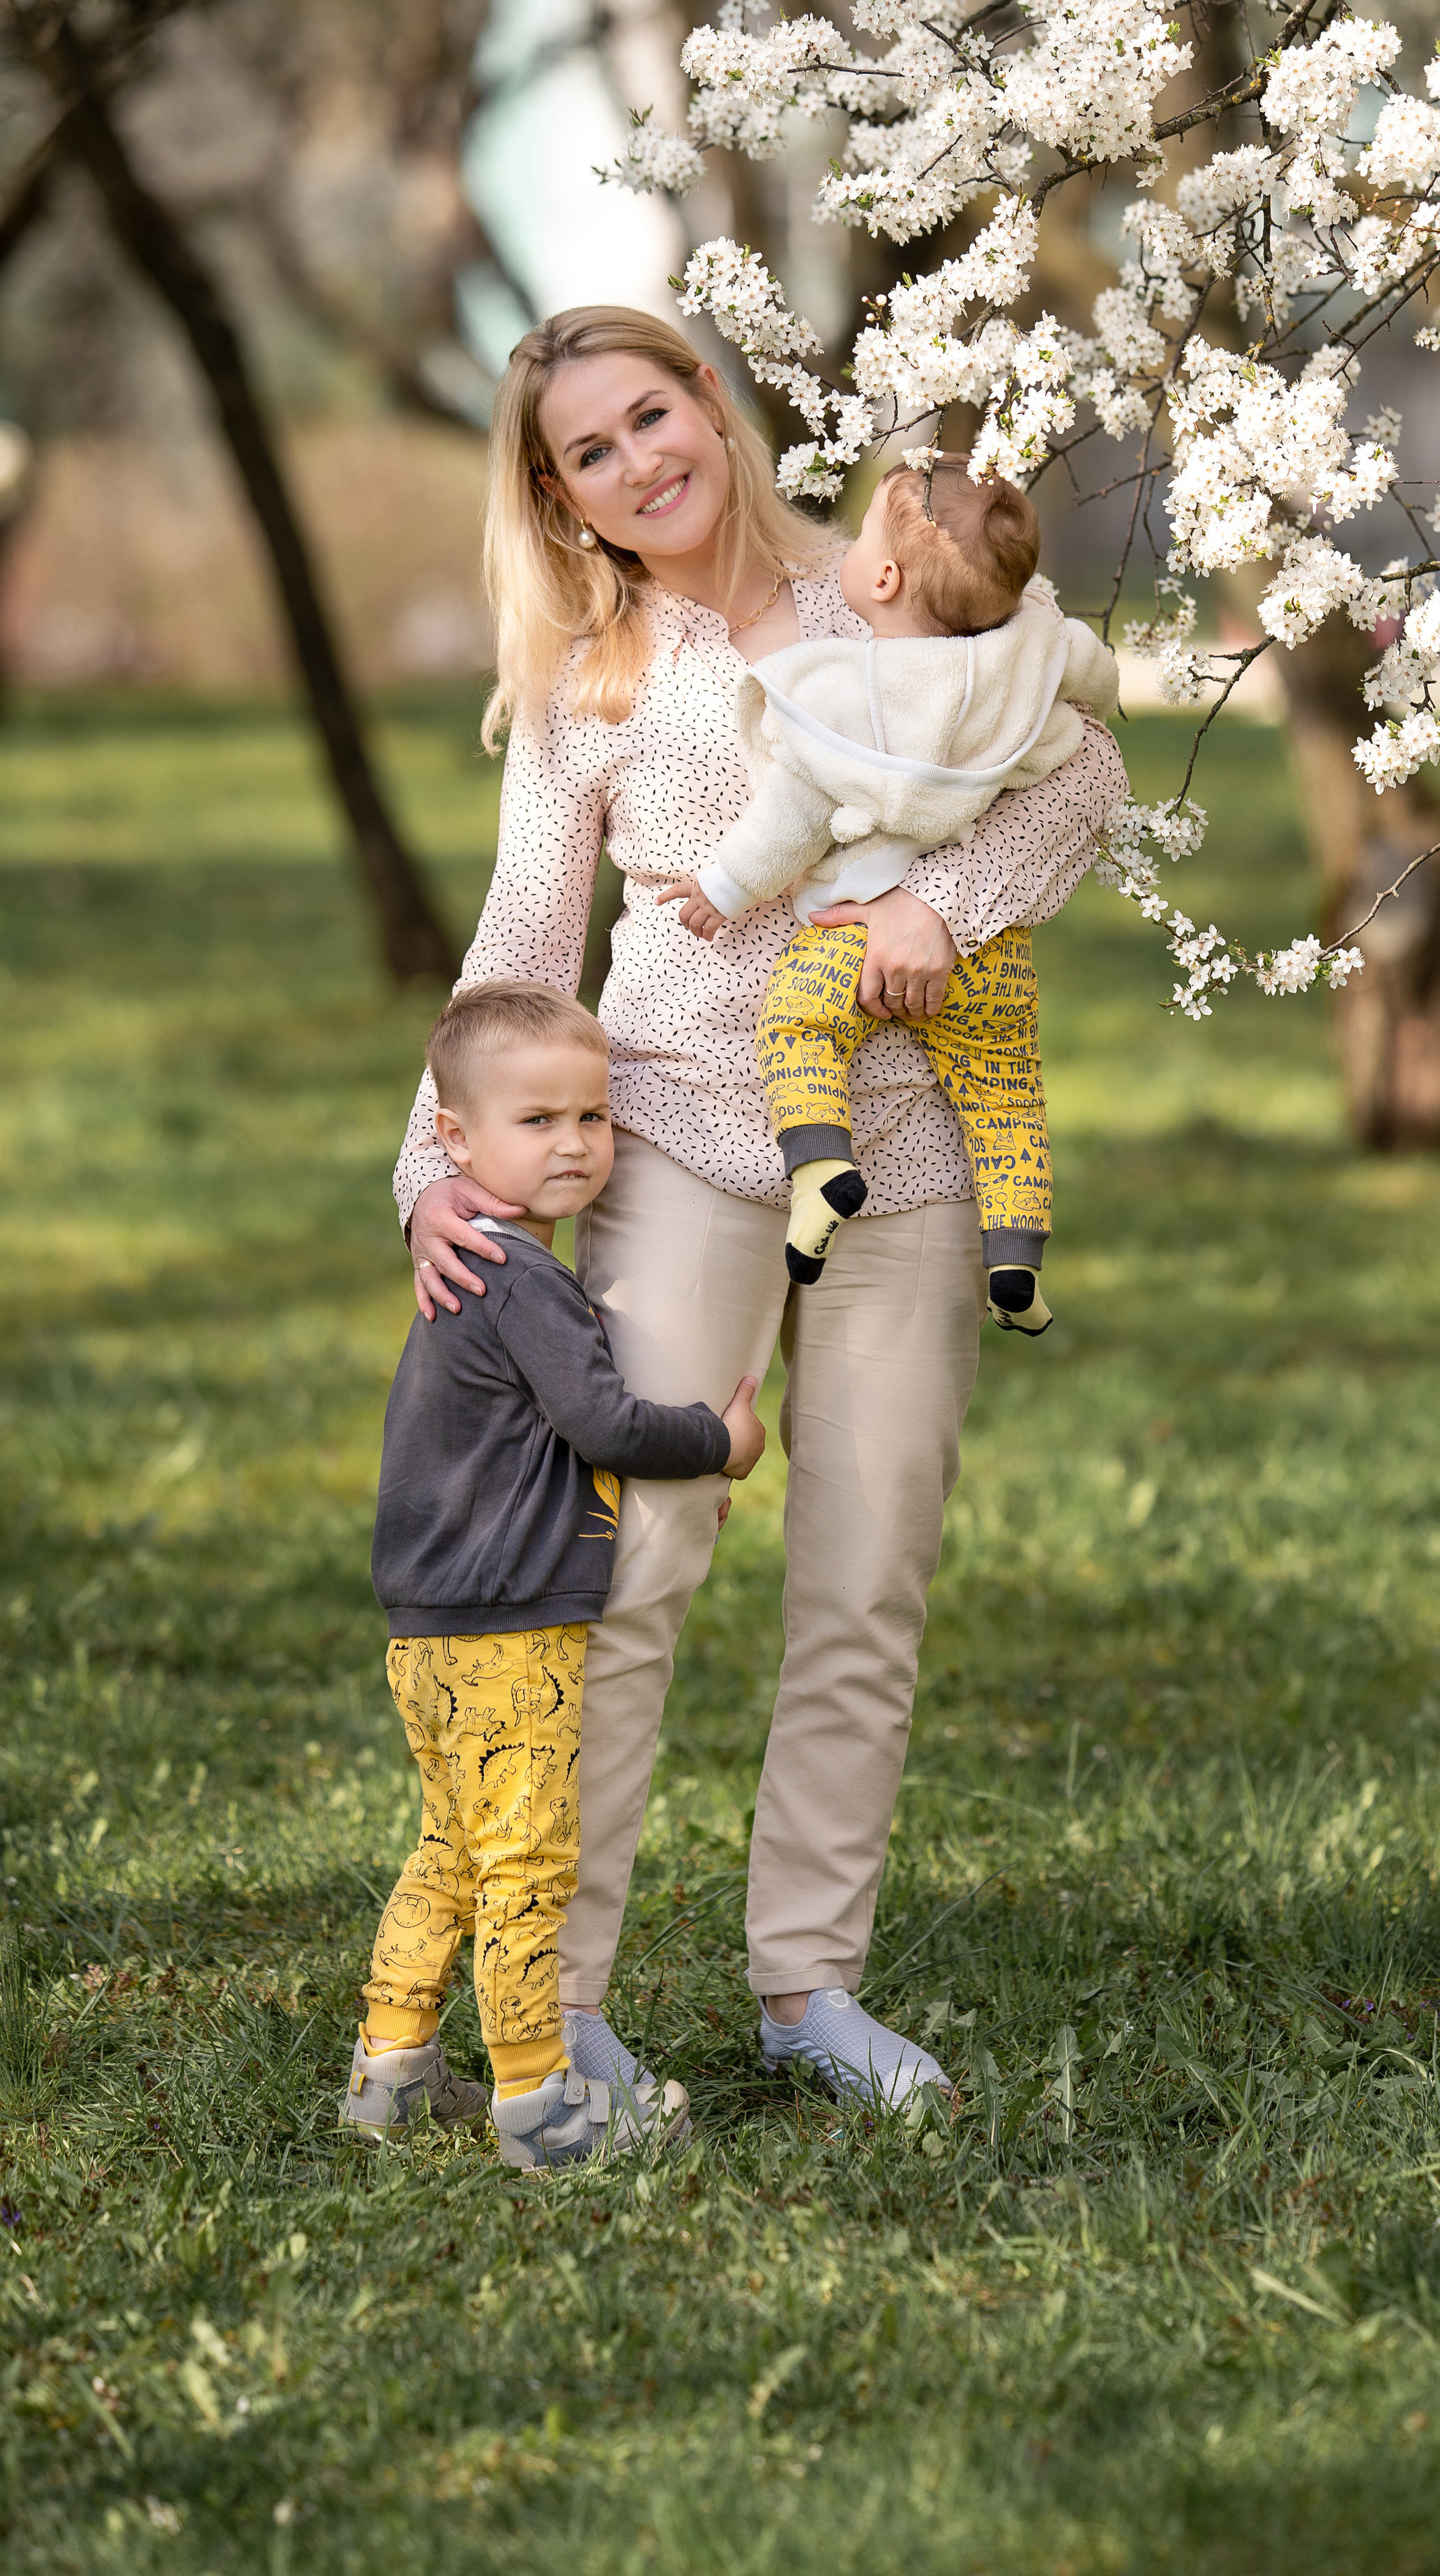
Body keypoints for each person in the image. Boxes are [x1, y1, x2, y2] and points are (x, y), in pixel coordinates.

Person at [398, 304, 1128, 2116]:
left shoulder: (907, 576)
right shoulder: (592, 686)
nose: (639, 459)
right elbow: (515, 951)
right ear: (563, 501)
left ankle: (808, 1992)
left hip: (915, 1154)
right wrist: (431, 1165)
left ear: (714, 409)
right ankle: (555, 2003)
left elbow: (1090, 775)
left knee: (867, 1568)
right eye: (591, 451)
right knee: (635, 1558)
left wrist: (945, 905)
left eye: (656, 414)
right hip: (681, 1136)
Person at [347, 977, 765, 2171]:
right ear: (454, 1140)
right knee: (526, 1868)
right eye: (539, 1122)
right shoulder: (525, 1278)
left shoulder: (471, 1259)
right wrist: (718, 1442)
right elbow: (606, 1423)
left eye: (593, 1117)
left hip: (429, 1627)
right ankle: (542, 2107)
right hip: (509, 1632)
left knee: (451, 1852)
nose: (576, 1144)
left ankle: (392, 2071)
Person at [658, 453, 1119, 1336]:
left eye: (866, 530)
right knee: (1007, 1088)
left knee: (798, 1024)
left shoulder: (850, 693)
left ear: (881, 575)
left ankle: (821, 1169)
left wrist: (724, 887)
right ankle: (1016, 1255)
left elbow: (792, 812)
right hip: (994, 957)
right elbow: (1094, 685)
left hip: (849, 940)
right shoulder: (1033, 647)